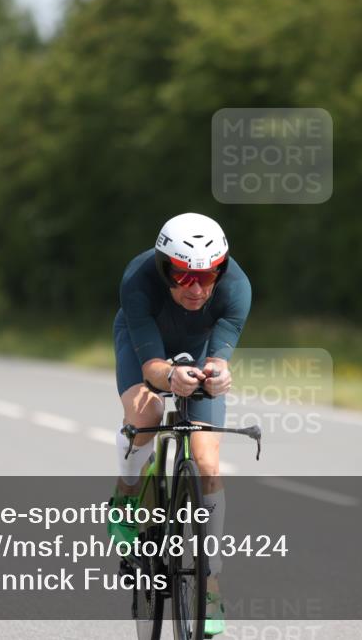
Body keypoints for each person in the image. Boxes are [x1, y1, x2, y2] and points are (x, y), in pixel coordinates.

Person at [109, 212, 251, 636]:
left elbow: (219, 359)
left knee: (207, 464)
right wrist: (170, 376)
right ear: (162, 268)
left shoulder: (237, 288)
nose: (197, 288)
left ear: (220, 270)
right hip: (145, 347)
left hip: (198, 346)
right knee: (147, 414)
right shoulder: (138, 280)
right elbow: (152, 364)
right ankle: (128, 490)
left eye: (207, 276)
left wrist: (219, 374)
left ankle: (210, 584)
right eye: (183, 276)